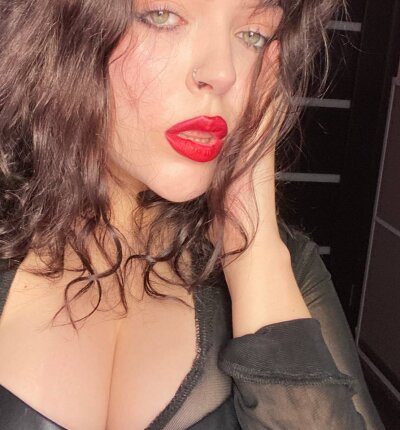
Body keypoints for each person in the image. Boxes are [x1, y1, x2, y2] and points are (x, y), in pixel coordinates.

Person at [0, 0, 386, 429]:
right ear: (60, 24)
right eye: (163, 16)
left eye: (252, 35)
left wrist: (252, 250)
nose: (222, 73)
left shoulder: (288, 271)